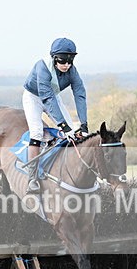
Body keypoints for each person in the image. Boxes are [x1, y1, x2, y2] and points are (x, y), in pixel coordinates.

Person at [22, 37, 89, 193]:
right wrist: (63, 125)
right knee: (37, 133)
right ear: (54, 58)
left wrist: (84, 124)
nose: (66, 65)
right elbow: (47, 98)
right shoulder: (42, 67)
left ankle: (67, 170)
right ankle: (32, 179)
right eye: (63, 61)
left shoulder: (72, 70)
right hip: (34, 97)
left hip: (52, 96)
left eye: (70, 61)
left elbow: (79, 93)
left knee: (72, 131)